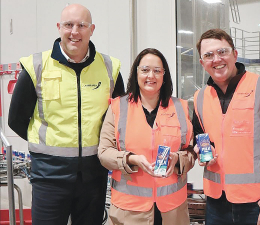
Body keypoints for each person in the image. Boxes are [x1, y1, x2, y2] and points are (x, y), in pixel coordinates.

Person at [8, 4, 125, 225]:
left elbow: (120, 119)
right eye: (68, 25)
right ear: (58, 27)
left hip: (94, 176)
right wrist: (47, 144)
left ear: (92, 29)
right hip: (49, 176)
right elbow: (16, 120)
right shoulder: (37, 67)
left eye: (82, 25)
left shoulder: (110, 68)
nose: (75, 31)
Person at [192, 29, 260, 225]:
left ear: (235, 54)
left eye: (222, 52)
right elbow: (201, 136)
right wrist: (201, 149)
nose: (216, 59)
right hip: (216, 203)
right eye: (208, 55)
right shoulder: (200, 98)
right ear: (202, 63)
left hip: (258, 204)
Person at [98, 48, 195, 225]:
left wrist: (178, 159)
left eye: (157, 71)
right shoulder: (118, 107)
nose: (151, 75)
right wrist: (131, 158)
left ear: (164, 75)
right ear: (136, 73)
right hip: (129, 211)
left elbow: (191, 151)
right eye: (145, 70)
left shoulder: (181, 108)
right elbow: (104, 153)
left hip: (172, 210)